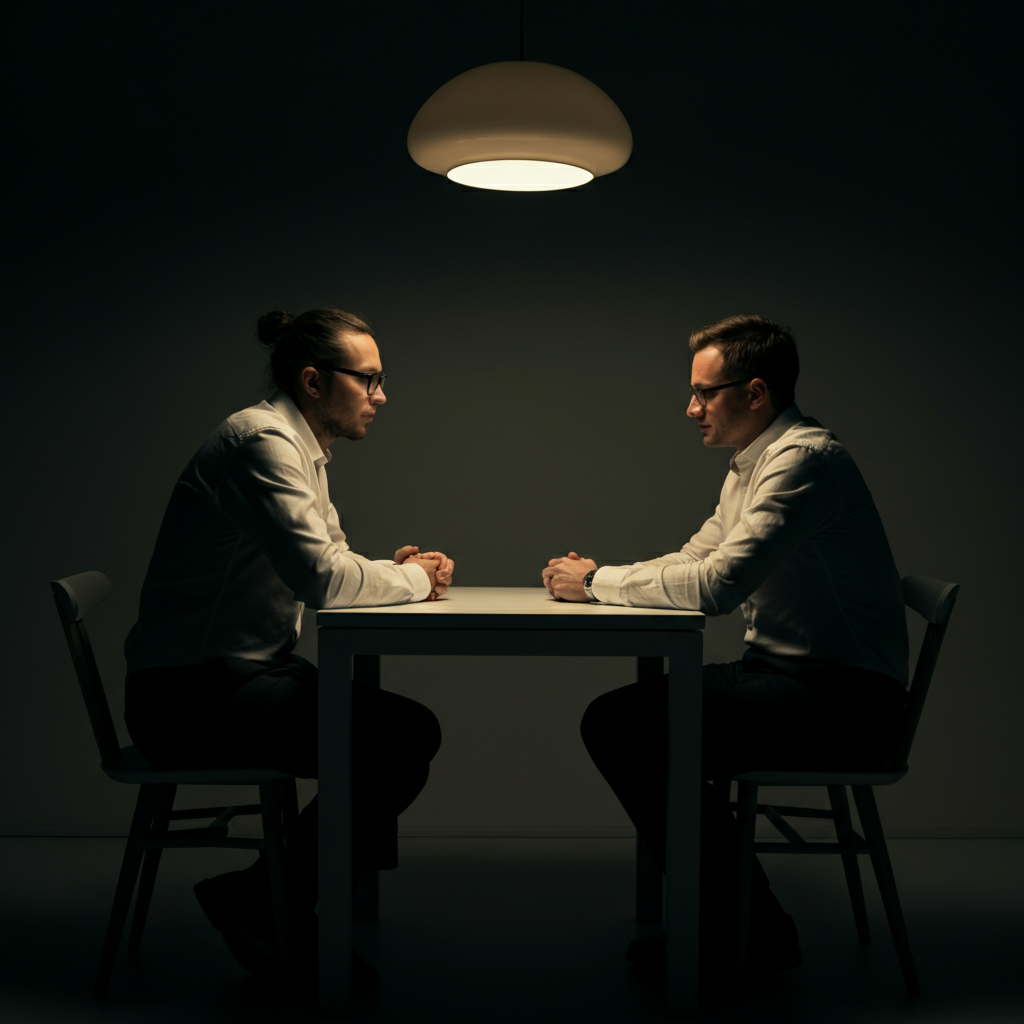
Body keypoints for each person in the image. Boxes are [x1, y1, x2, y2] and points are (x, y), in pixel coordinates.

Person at [542, 314, 909, 986]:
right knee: (628, 720)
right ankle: (735, 920)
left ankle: (749, 931)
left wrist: (595, 583)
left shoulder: (804, 464)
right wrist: (604, 576)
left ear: (756, 392)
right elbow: (696, 555)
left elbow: (713, 588)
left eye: (704, 393)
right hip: (783, 674)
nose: (691, 408)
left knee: (629, 728)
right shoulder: (753, 463)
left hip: (845, 700)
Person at [124, 306, 454, 990]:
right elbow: (325, 579)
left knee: (400, 735)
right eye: (369, 379)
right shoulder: (263, 444)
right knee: (400, 739)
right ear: (313, 379)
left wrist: (393, 573)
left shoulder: (296, 447)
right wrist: (411, 579)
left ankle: (272, 900)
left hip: (235, 679)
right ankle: (261, 903)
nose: (381, 395)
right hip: (191, 699)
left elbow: (325, 559)